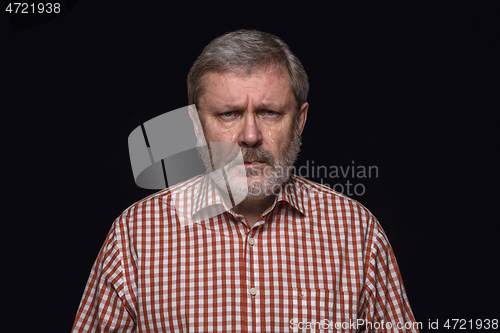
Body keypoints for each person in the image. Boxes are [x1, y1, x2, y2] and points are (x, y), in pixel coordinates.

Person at [72, 29, 419, 332]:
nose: (250, 136)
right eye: (229, 114)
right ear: (196, 125)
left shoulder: (356, 234)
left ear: (299, 121)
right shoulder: (135, 237)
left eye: (269, 112)